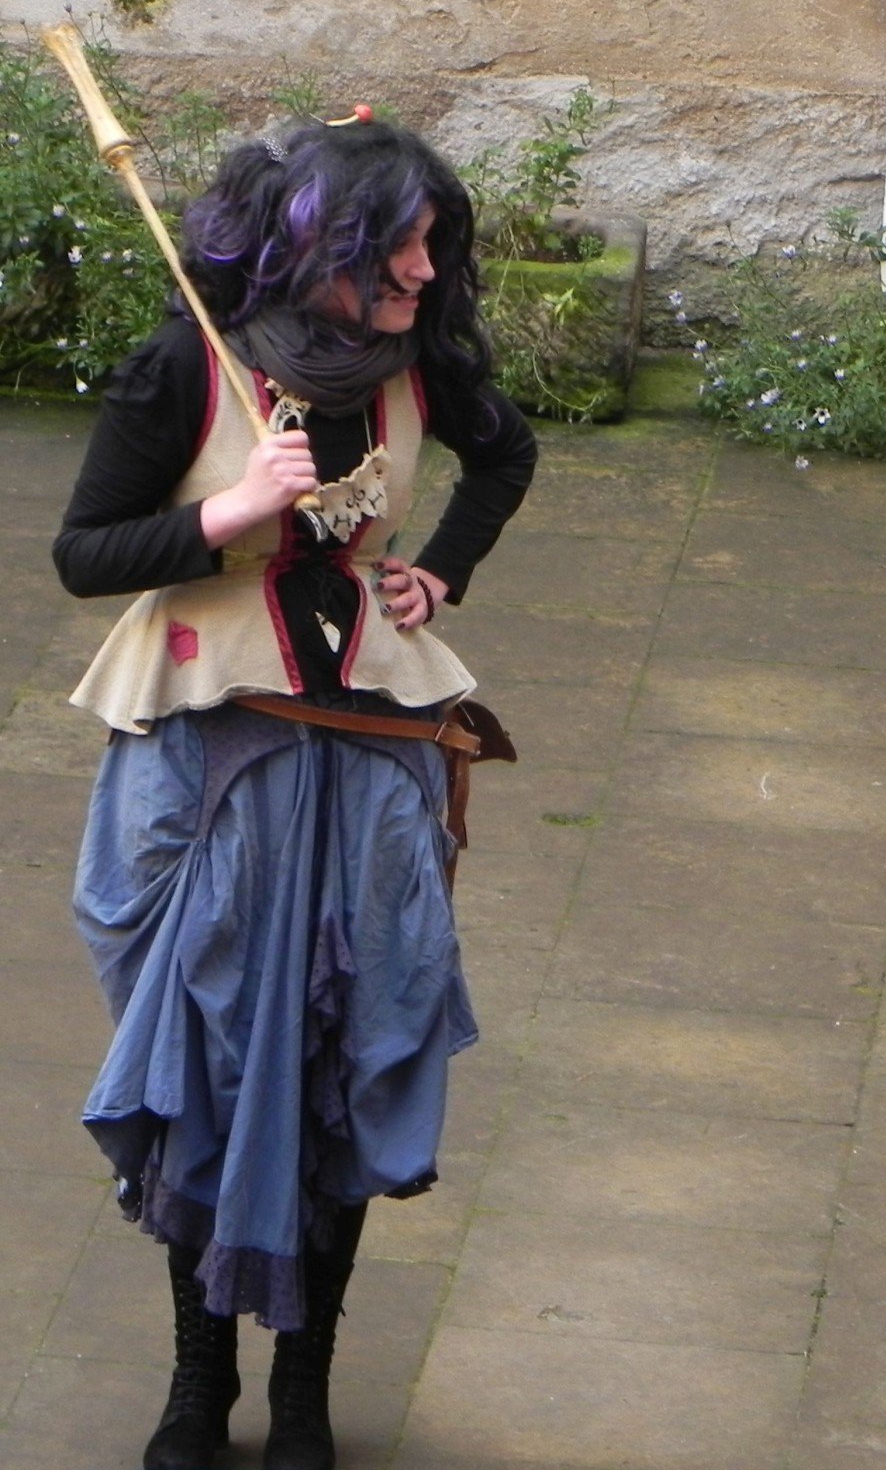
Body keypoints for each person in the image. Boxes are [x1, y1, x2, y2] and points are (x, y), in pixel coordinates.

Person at [53, 115, 537, 1470]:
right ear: (318, 247)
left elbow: (506, 457)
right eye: (401, 247)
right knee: (208, 1068)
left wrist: (439, 571)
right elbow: (84, 551)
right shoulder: (185, 369)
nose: (428, 275)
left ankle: (308, 1402)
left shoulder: (417, 363)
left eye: (433, 247)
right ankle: (197, 1395)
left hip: (369, 763)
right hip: (211, 763)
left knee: (343, 1057)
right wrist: (224, 512)